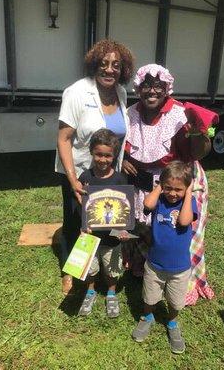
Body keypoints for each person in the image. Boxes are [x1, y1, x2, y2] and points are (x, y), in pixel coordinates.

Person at [122, 64, 217, 305]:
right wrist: (122, 158)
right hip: (146, 184)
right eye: (146, 85)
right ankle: (148, 273)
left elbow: (199, 152)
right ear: (138, 88)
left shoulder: (179, 113)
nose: (151, 91)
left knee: (182, 232)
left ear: (167, 89)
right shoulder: (130, 113)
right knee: (150, 230)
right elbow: (120, 144)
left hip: (179, 182)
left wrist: (199, 132)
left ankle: (184, 283)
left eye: (157, 86)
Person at [55, 40, 134, 295]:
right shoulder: (76, 92)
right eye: (104, 64)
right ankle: (70, 270)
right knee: (75, 224)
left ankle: (103, 268)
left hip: (109, 172)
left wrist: (124, 162)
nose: (109, 70)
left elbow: (119, 135)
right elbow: (64, 139)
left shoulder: (121, 93)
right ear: (94, 65)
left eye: (116, 65)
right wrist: (73, 180)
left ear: (123, 69)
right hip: (79, 172)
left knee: (102, 219)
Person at [132, 161, 198, 353]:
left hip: (179, 268)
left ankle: (172, 322)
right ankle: (147, 317)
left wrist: (188, 194)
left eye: (178, 189)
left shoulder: (189, 203)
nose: (172, 193)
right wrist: (160, 185)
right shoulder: (159, 200)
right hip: (154, 264)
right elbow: (147, 203)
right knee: (149, 296)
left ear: (186, 189)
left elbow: (184, 221)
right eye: (168, 188)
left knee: (176, 301)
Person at [78, 129, 129, 317]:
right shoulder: (85, 178)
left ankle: (111, 293)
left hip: (112, 238)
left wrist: (123, 228)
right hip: (90, 236)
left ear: (114, 156)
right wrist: (84, 225)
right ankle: (90, 291)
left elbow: (125, 208)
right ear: (91, 152)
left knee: (112, 269)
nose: (103, 159)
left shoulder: (120, 179)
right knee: (90, 269)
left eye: (108, 155)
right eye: (99, 154)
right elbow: (80, 206)